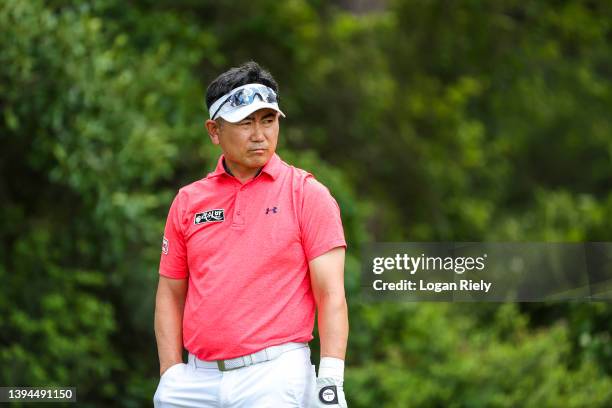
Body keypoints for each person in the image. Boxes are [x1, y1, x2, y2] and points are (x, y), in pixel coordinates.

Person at [153, 61, 349, 408]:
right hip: (194, 382)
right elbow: (170, 293)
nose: (259, 135)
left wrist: (330, 379)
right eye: (246, 122)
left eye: (268, 120)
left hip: (274, 376)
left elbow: (330, 294)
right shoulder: (188, 201)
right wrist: (170, 371)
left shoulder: (307, 194)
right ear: (214, 131)